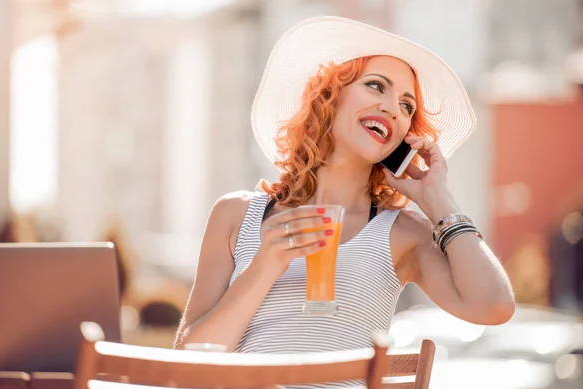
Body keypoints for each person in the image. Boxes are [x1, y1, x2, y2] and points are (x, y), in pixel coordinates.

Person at [174, 16, 515, 355]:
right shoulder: (236, 215)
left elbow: (494, 307)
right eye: (376, 86)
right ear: (329, 96)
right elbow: (191, 359)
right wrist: (264, 268)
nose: (392, 108)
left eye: (406, 105)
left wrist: (438, 199)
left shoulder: (403, 233)